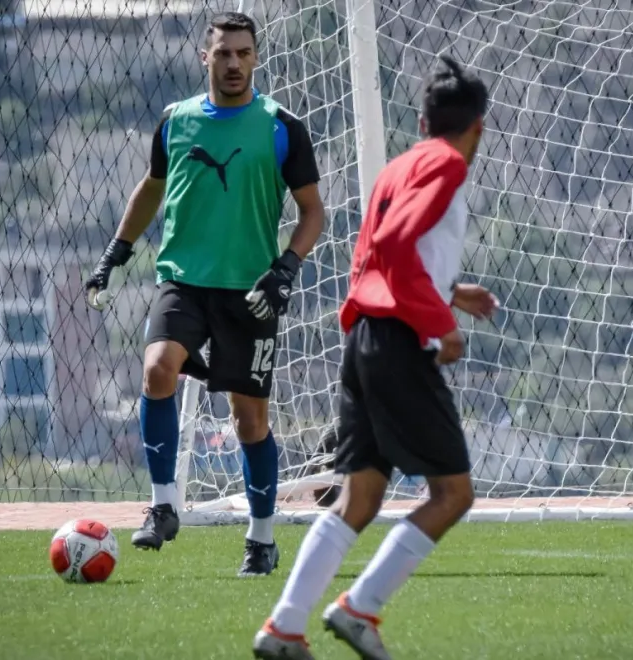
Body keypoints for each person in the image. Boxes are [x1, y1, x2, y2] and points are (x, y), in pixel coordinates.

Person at [252, 54, 495, 660]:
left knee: (361, 497)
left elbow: (376, 256)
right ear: (479, 129)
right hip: (397, 343)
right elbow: (392, 243)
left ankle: (284, 627)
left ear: (420, 119)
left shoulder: (400, 166)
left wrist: (450, 291)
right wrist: (442, 324)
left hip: (363, 339)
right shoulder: (448, 164)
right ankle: (359, 608)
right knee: (453, 495)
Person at [83, 11, 325, 577]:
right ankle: (164, 505)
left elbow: (313, 211)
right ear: (205, 58)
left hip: (250, 292)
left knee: (249, 422)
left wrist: (286, 266)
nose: (233, 63)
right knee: (157, 369)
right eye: (223, 53)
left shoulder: (281, 126)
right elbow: (152, 187)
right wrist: (116, 250)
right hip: (183, 281)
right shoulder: (176, 120)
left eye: (243, 53)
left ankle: (261, 541)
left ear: (256, 58)